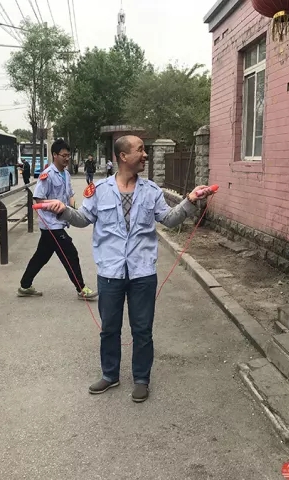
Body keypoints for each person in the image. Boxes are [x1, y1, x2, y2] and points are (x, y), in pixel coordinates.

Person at [37, 135, 215, 402]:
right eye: (140, 150)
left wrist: (190, 200)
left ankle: (141, 378)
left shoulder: (151, 191)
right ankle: (110, 375)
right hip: (110, 271)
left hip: (142, 272)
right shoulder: (99, 190)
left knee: (142, 329)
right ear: (123, 156)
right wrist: (63, 210)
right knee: (109, 327)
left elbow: (168, 219)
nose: (145, 155)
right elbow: (83, 219)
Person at [18, 138, 98, 300]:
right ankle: (81, 288)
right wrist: (54, 205)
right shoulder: (47, 175)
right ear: (55, 155)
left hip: (60, 222)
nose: (67, 158)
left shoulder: (66, 174)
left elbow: (69, 196)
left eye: (68, 155)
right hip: (51, 224)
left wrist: (75, 211)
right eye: (64, 155)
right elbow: (38, 199)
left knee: (41, 256)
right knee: (70, 254)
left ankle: (25, 285)